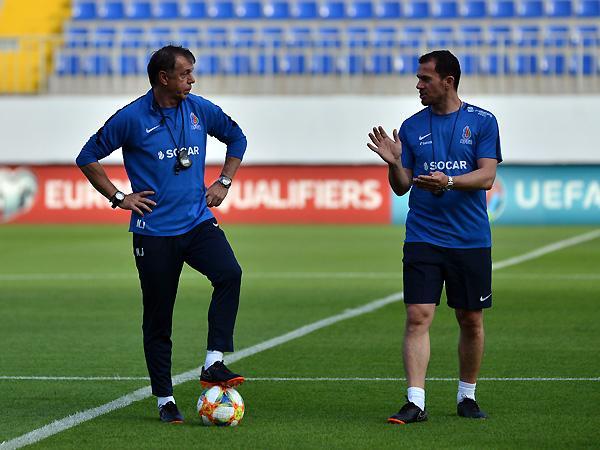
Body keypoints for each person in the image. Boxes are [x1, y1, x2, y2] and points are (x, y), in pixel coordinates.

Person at [76, 45, 247, 424]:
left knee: (229, 274)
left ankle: (214, 361)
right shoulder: (132, 117)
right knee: (158, 317)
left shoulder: (200, 109)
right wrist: (119, 197)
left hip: (197, 222)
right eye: (185, 74)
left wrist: (224, 180)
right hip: (153, 233)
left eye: (192, 72)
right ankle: (165, 399)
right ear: (163, 78)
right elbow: (87, 156)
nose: (192, 80)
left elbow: (237, 138)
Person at [367, 50, 502, 424]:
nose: (418, 85)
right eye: (418, 78)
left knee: (470, 319)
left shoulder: (483, 121)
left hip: (470, 239)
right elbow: (402, 187)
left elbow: (487, 176)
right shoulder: (411, 127)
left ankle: (467, 396)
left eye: (425, 78)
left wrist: (450, 182)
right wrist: (395, 163)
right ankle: (416, 401)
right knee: (417, 316)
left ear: (448, 81)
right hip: (423, 236)